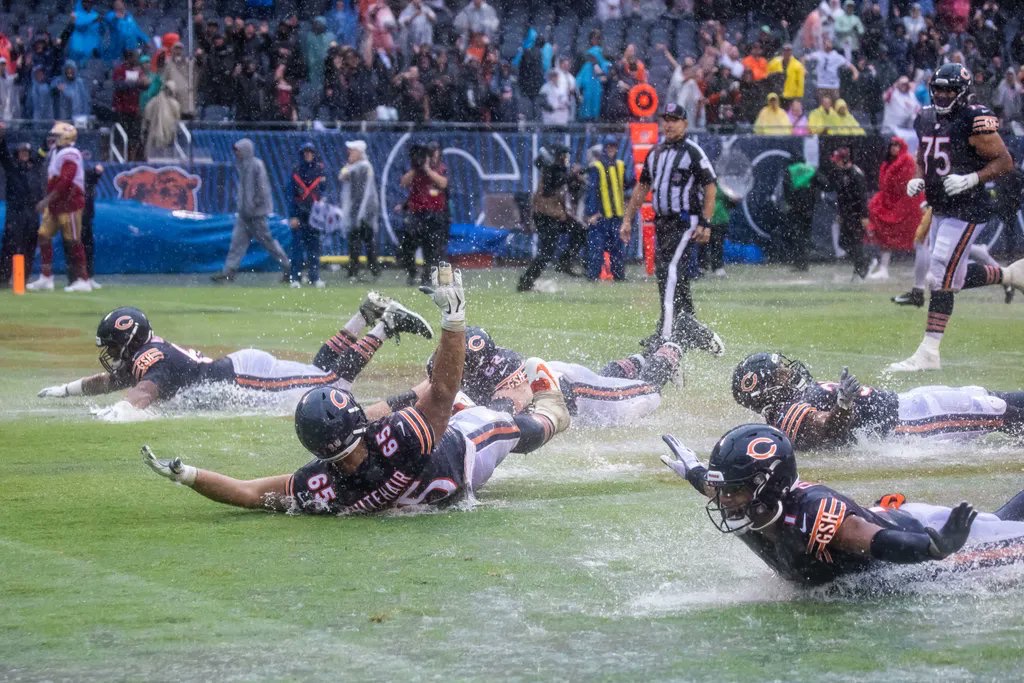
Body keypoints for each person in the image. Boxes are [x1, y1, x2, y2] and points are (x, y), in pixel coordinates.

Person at [142, 264, 568, 514]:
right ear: (355, 424)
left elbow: (248, 492)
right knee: (503, 422)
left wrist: (189, 476)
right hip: (463, 461)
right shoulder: (398, 439)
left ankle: (533, 407)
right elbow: (441, 390)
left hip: (439, 475)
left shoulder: (320, 484)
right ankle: (550, 411)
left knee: (462, 404)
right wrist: (453, 319)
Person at [659, 423, 1024, 586]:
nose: (724, 500)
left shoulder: (813, 513)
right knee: (1004, 517)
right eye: (724, 490)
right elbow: (712, 485)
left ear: (767, 486)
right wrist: (693, 470)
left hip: (918, 531)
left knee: (1009, 531)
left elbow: (877, 541)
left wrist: (932, 546)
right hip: (910, 528)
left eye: (734, 490)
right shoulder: (750, 502)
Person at [37, 292, 433, 421]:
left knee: (330, 387)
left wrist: (119, 413)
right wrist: (64, 391)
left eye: (111, 345)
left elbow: (142, 393)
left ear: (129, 338)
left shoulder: (152, 357)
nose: (109, 354)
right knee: (318, 375)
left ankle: (386, 324)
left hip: (247, 377)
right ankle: (365, 314)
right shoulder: (148, 351)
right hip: (244, 371)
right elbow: (111, 381)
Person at [888, 64, 1024, 372]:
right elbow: (924, 156)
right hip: (941, 206)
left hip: (968, 208)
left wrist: (973, 178)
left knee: (939, 272)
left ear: (961, 92)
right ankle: (1008, 276)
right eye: (938, 89)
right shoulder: (924, 117)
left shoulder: (973, 119)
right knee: (952, 276)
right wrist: (918, 177)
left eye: (949, 90)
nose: (943, 95)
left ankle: (929, 351)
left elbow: (1005, 161)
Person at [414, 313, 723, 429]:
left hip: (575, 394)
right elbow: (412, 399)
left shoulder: (506, 375)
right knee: (604, 380)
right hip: (563, 379)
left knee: (648, 391)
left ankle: (680, 337)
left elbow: (499, 419)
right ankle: (645, 355)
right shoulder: (454, 368)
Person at [731, 352, 1024, 449]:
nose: (788, 371)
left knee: (989, 397)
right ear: (766, 389)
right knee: (1001, 411)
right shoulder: (786, 414)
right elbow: (827, 428)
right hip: (908, 422)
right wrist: (843, 405)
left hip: (908, 404)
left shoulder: (792, 400)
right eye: (780, 374)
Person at [620, 102, 716, 337]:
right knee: (674, 274)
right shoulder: (655, 153)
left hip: (685, 221)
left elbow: (711, 186)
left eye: (674, 120)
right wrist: (627, 219)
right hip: (662, 222)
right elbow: (642, 188)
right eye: (666, 119)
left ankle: (665, 333)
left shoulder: (693, 152)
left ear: (685, 123)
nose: (669, 124)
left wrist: (706, 222)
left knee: (669, 270)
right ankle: (690, 326)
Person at [211, 138, 291, 283]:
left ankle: (288, 267)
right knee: (236, 243)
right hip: (244, 214)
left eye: (238, 150)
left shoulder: (256, 165)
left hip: (256, 215)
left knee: (268, 243)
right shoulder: (242, 166)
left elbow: (262, 188)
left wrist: (255, 205)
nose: (236, 154)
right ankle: (229, 272)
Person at [25, 122, 92, 293]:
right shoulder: (56, 151)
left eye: (56, 136)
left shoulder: (71, 154)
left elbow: (65, 182)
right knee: (43, 235)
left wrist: (46, 200)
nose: (53, 139)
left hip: (70, 204)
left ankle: (83, 280)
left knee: (74, 241)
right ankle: (46, 277)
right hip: (56, 205)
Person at [517, 145, 587, 291]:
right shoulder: (549, 169)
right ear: (559, 156)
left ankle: (565, 260)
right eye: (564, 155)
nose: (567, 159)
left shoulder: (559, 171)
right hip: (545, 217)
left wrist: (577, 181)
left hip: (556, 216)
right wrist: (572, 176)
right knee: (546, 253)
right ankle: (525, 282)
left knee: (580, 230)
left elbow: (569, 188)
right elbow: (551, 187)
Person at [866, 137, 921, 281]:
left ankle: (921, 267)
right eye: (892, 145)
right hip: (891, 203)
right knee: (885, 236)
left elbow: (904, 184)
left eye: (897, 145)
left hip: (907, 205)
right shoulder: (887, 163)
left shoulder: (907, 160)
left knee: (917, 238)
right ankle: (883, 268)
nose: (894, 148)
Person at [399, 141, 449, 286]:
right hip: (416, 214)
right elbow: (403, 182)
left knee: (432, 249)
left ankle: (427, 276)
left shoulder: (440, 168)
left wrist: (427, 169)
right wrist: (417, 168)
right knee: (407, 245)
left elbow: (443, 183)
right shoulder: (415, 170)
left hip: (434, 214)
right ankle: (412, 272)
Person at [816, 146, 870, 279]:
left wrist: (864, 216)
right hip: (846, 213)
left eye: (838, 160)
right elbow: (841, 195)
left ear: (845, 160)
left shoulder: (856, 174)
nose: (836, 163)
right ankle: (863, 261)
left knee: (856, 242)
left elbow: (862, 197)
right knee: (843, 242)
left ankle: (860, 268)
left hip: (856, 214)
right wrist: (840, 213)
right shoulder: (841, 173)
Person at [0, 131, 43, 289]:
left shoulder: (34, 167)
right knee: (11, 245)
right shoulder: (12, 168)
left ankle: (22, 279)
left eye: (26, 152)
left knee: (29, 246)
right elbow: (3, 154)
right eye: (21, 152)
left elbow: (42, 153)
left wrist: (48, 142)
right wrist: (2, 137)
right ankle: (4, 278)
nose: (24, 155)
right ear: (17, 154)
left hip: (31, 213)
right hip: (16, 212)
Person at [584, 137, 627, 281]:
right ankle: (593, 275)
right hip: (602, 215)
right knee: (596, 247)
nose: (611, 149)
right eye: (609, 146)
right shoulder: (597, 167)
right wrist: (592, 212)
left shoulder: (620, 165)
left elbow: (626, 184)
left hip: (617, 215)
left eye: (613, 146)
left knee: (618, 248)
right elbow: (592, 190)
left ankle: (619, 275)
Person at [339, 139, 381, 282]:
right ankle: (356, 270)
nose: (349, 152)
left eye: (352, 150)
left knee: (366, 241)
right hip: (355, 210)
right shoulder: (354, 167)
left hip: (365, 211)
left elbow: (364, 193)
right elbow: (342, 176)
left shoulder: (364, 167)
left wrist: (361, 213)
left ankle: (371, 270)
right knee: (356, 241)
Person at [288, 142, 326, 288]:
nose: (308, 155)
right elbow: (291, 195)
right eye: (305, 153)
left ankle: (314, 277)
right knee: (297, 248)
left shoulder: (320, 171)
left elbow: (323, 192)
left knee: (314, 248)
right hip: (299, 212)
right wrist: (293, 215)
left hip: (314, 215)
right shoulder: (296, 171)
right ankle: (295, 277)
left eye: (310, 152)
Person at [781, 157, 819, 271]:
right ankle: (805, 263)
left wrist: (790, 202)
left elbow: (786, 188)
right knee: (805, 236)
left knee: (797, 236)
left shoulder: (790, 170)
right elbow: (824, 183)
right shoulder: (810, 169)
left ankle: (800, 263)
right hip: (808, 209)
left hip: (796, 209)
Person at [81, 163, 103, 290]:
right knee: (77, 248)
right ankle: (79, 278)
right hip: (77, 215)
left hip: (87, 216)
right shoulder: (75, 178)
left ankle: (88, 277)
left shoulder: (86, 175)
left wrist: (97, 170)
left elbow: (96, 173)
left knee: (88, 247)